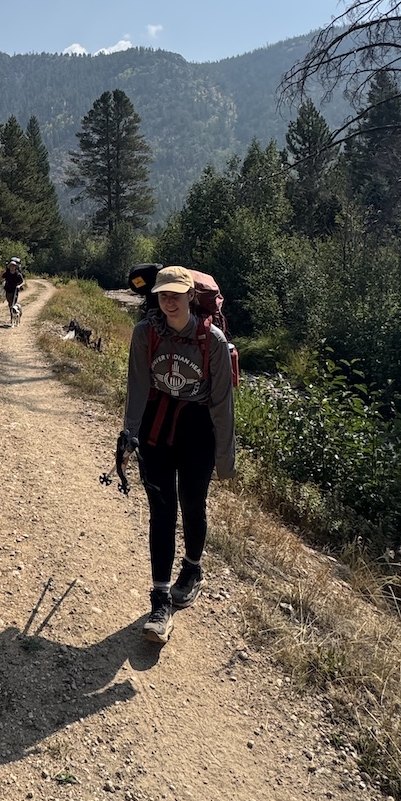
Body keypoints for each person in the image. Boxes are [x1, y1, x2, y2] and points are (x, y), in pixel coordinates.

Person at [119, 265, 235, 644]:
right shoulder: (145, 333)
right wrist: (128, 434)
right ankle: (160, 601)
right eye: (162, 294)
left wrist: (225, 458)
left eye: (175, 294)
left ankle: (193, 568)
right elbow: (136, 385)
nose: (168, 301)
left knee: (193, 503)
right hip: (155, 427)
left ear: (190, 296)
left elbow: (221, 403)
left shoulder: (212, 340)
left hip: (197, 429)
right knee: (162, 512)